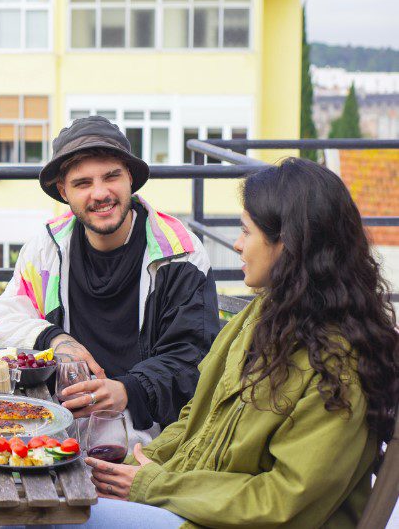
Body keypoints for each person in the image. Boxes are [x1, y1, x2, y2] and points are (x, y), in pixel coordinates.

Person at [30, 157, 399, 528]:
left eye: (246, 231)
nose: (237, 245)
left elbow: (283, 502)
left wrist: (156, 485)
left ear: (288, 244)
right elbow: (197, 417)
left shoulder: (338, 367)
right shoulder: (264, 316)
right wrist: (136, 468)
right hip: (194, 505)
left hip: (216, 519)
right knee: (41, 499)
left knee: (41, 517)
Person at [0, 116, 220, 445]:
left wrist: (127, 389)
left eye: (111, 177)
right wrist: (54, 338)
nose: (100, 193)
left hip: (150, 436)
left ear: (130, 178)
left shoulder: (180, 253)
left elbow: (194, 358)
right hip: (57, 426)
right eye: (82, 183)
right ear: (63, 191)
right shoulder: (48, 246)